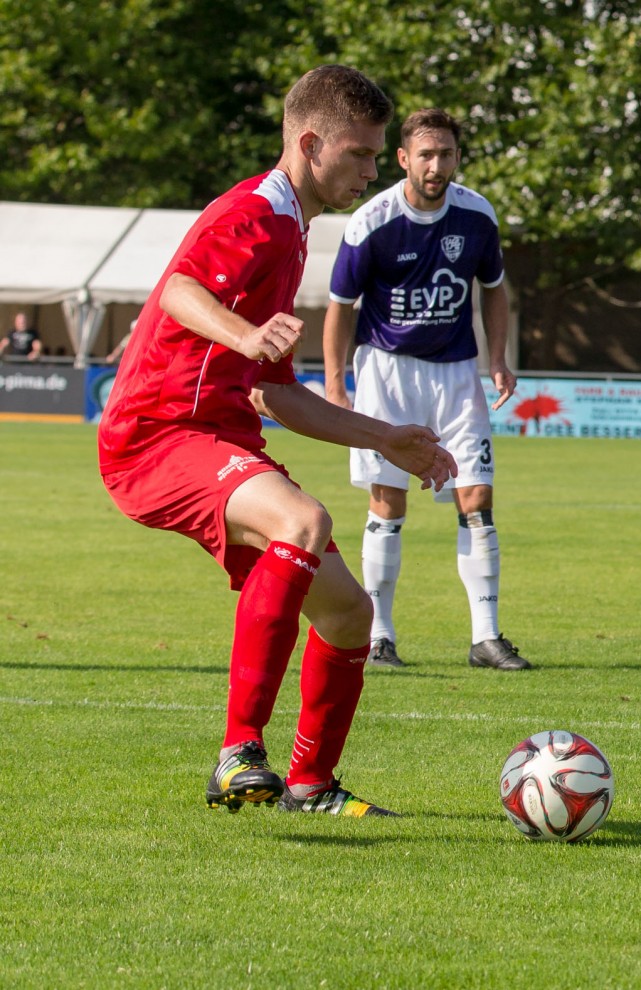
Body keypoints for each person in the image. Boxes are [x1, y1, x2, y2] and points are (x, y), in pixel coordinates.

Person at [98, 65, 456, 818]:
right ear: (310, 141)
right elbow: (179, 291)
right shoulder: (255, 213)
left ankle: (310, 785)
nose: (371, 169)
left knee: (349, 612)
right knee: (303, 521)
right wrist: (245, 331)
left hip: (218, 434)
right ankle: (238, 751)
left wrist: (386, 437)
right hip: (157, 434)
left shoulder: (294, 229)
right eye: (360, 154)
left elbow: (276, 394)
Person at [323, 107, 527, 672]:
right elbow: (341, 308)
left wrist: (499, 359)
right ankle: (379, 636)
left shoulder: (477, 216)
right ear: (404, 159)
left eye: (448, 154)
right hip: (387, 373)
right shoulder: (372, 221)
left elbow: (494, 289)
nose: (437, 165)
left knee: (477, 502)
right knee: (389, 503)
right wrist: (337, 384)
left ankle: (485, 637)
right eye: (427, 154)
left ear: (458, 158)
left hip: (457, 373)